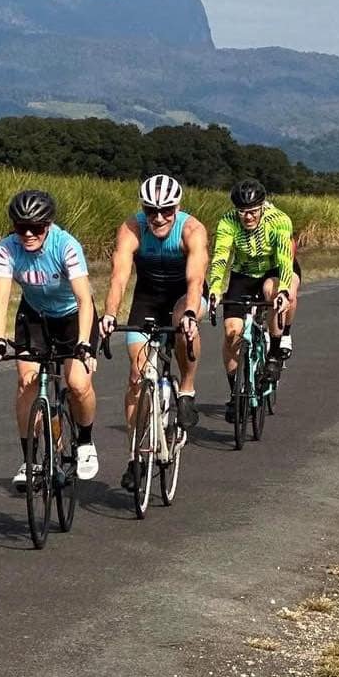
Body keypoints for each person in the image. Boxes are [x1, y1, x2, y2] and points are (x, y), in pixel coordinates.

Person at [99, 174, 208, 492]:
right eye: (151, 210)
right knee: (136, 377)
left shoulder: (192, 230)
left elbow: (195, 280)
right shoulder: (131, 228)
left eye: (166, 210)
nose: (158, 218)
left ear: (177, 208)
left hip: (183, 298)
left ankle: (186, 390)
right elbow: (119, 278)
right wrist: (110, 314)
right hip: (147, 299)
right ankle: (135, 456)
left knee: (183, 325)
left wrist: (191, 314)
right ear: (143, 209)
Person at [0, 189, 100, 488]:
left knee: (77, 383)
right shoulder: (7, 248)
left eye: (35, 227)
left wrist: (84, 342)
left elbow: (84, 299)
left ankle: (85, 442)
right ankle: (30, 461)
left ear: (48, 225)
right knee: (27, 383)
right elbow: (0, 299)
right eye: (20, 227)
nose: (27, 234)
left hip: (73, 317)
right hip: (34, 316)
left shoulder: (66, 245)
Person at [206, 179, 302, 422]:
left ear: (262, 206)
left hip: (274, 270)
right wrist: (215, 289)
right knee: (231, 332)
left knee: (275, 292)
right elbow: (220, 257)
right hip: (244, 274)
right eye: (242, 212)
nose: (247, 217)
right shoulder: (228, 222)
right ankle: (236, 394)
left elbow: (285, 259)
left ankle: (276, 349)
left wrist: (283, 291)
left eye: (253, 211)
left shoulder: (278, 220)